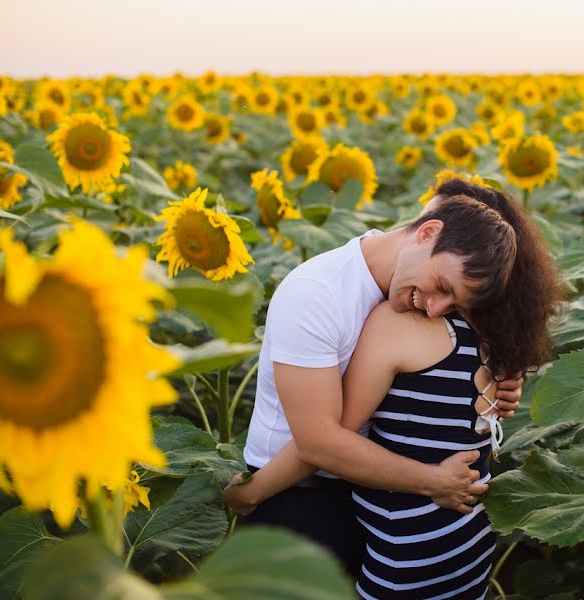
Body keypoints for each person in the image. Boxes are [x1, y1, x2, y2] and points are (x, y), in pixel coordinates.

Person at [225, 183, 535, 577]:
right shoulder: (316, 294)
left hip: (377, 499)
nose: (437, 308)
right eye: (441, 287)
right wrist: (248, 494)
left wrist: (501, 386)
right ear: (426, 233)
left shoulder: (422, 285)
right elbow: (319, 444)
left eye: (453, 302)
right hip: (297, 498)